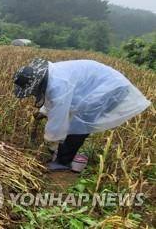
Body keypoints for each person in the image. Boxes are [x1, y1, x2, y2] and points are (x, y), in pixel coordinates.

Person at [13, 59, 151, 171]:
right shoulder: (52, 75)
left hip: (110, 88)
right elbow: (55, 100)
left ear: (38, 82)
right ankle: (65, 153)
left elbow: (58, 116)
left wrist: (51, 140)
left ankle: (63, 162)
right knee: (77, 120)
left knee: (80, 124)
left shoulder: (58, 83)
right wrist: (43, 112)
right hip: (102, 85)